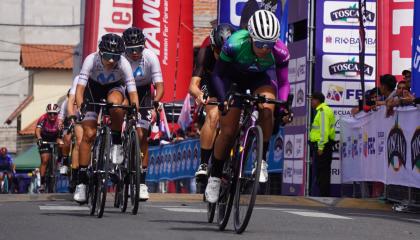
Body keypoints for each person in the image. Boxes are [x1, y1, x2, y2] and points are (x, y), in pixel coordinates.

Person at [205, 10, 292, 203]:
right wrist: (223, 99)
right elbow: (217, 75)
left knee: (268, 108)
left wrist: (283, 107)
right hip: (232, 78)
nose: (264, 49)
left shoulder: (280, 51)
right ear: (251, 36)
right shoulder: (235, 43)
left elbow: (284, 82)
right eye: (260, 44)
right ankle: (215, 176)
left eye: (269, 45)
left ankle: (261, 161)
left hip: (259, 79)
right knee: (228, 131)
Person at [74, 33, 139, 203]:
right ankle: (81, 183)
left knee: (116, 105)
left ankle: (116, 142)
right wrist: (81, 107)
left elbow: (133, 92)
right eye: (108, 56)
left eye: (115, 56)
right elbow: (79, 90)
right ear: (100, 53)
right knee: (88, 134)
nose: (111, 61)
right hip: (93, 90)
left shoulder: (123, 63)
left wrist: (134, 108)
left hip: (113, 88)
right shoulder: (90, 60)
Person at [188, 23, 236, 185]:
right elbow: (193, 85)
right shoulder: (206, 52)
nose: (220, 55)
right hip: (213, 82)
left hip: (230, 81)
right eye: (217, 51)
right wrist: (199, 94)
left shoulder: (238, 52)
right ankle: (203, 162)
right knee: (213, 115)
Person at [122, 27, 164, 201]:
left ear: (144, 46)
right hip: (124, 89)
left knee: (142, 135)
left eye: (138, 49)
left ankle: (141, 183)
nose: (134, 53)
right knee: (118, 110)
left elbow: (160, 86)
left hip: (144, 92)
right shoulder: (121, 58)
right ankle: (119, 145)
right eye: (130, 50)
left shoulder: (150, 57)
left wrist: (155, 103)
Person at [309, 92, 335, 197]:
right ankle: (324, 195)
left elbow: (324, 132)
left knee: (322, 173)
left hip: (323, 146)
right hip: (324, 145)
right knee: (322, 172)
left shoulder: (323, 111)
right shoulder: (323, 110)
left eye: (312, 100)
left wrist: (320, 147)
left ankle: (324, 196)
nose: (311, 102)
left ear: (317, 100)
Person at [35, 103, 61, 192]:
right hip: (44, 138)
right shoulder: (43, 118)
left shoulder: (60, 120)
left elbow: (63, 132)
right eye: (50, 113)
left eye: (55, 113)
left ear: (58, 114)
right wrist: (39, 138)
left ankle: (60, 161)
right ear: (47, 113)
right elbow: (38, 130)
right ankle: (42, 183)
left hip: (55, 137)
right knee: (45, 160)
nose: (52, 115)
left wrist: (60, 139)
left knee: (62, 144)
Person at [64, 76, 84, 192]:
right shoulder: (79, 78)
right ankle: (76, 174)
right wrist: (72, 116)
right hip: (81, 113)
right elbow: (71, 101)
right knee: (79, 142)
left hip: (98, 109)